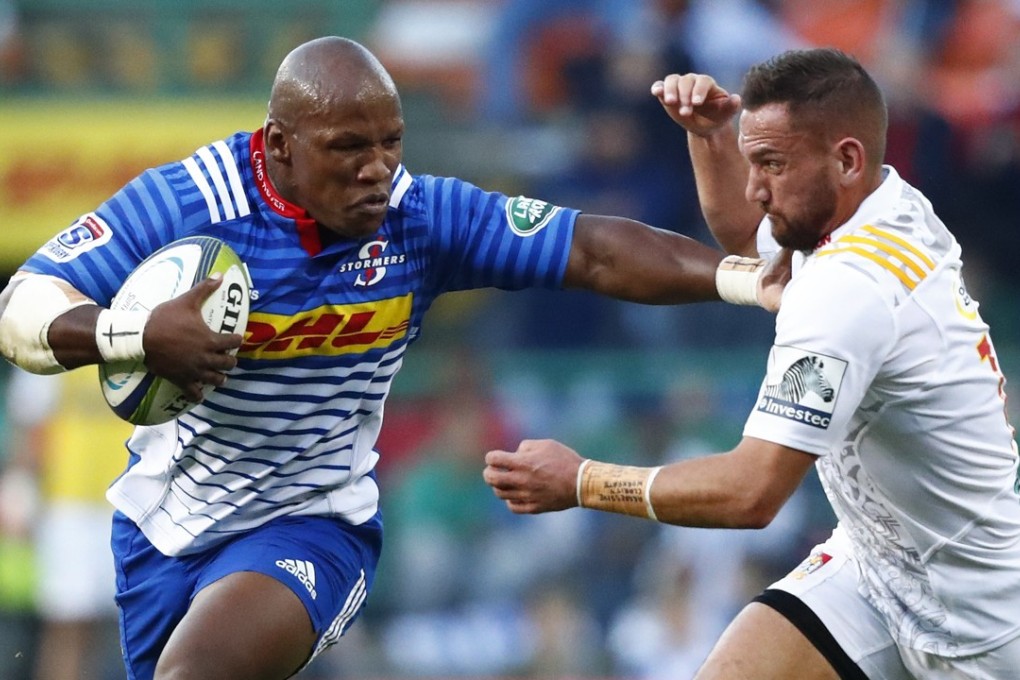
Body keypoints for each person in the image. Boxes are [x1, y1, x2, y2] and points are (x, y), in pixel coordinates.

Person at [0, 36, 786, 680]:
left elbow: (593, 252)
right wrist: (130, 336)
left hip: (313, 522)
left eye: (391, 143)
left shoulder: (418, 216)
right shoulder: (187, 204)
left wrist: (749, 279)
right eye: (348, 148)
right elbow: (22, 309)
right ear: (279, 145)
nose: (377, 168)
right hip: (163, 531)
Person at [483, 47, 1020, 679]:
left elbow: (751, 494)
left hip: (980, 627)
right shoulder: (883, 203)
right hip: (874, 567)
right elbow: (750, 236)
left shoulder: (848, 290)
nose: (754, 186)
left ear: (846, 158)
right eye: (750, 158)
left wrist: (581, 482)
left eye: (771, 163)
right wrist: (711, 137)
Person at [2, 367, 126, 680]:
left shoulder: (155, 332)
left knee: (132, 631)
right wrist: (22, 482)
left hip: (134, 503)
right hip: (69, 501)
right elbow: (32, 417)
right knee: (67, 626)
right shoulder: (61, 330)